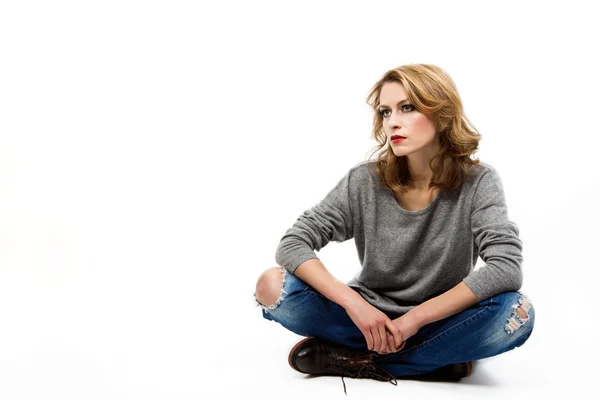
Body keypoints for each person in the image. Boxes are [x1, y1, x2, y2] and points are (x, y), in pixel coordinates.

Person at [253, 64, 535, 394]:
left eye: (407, 107)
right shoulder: (364, 180)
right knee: (271, 284)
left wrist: (414, 320)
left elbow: (506, 269)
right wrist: (355, 306)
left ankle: (352, 361)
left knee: (518, 312)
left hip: (440, 322)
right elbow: (293, 243)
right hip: (363, 322)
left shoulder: (479, 182)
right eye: (386, 112)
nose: (392, 122)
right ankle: (437, 361)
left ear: (441, 112)